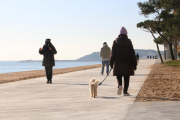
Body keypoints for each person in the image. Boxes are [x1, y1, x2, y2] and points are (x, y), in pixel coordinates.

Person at [110, 27, 137, 96]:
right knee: (126, 77)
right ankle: (125, 91)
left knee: (119, 76)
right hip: (128, 63)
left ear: (119, 34)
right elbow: (132, 53)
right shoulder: (129, 42)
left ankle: (119, 85)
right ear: (126, 34)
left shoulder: (115, 42)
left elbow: (113, 54)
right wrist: (134, 64)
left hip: (118, 63)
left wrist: (111, 63)